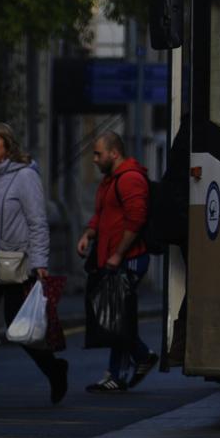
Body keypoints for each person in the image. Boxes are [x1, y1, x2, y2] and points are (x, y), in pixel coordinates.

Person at [0, 122, 67, 407]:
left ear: (7, 144)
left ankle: (55, 370)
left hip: (17, 265)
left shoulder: (25, 177)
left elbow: (37, 222)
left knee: (18, 328)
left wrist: (40, 261)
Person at [77, 130, 156, 394]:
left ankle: (119, 372)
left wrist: (118, 254)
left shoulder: (130, 179)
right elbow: (102, 214)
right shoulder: (109, 181)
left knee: (118, 316)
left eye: (98, 154)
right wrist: (89, 234)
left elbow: (136, 220)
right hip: (113, 259)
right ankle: (138, 360)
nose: (94, 160)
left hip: (130, 259)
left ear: (114, 153)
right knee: (116, 316)